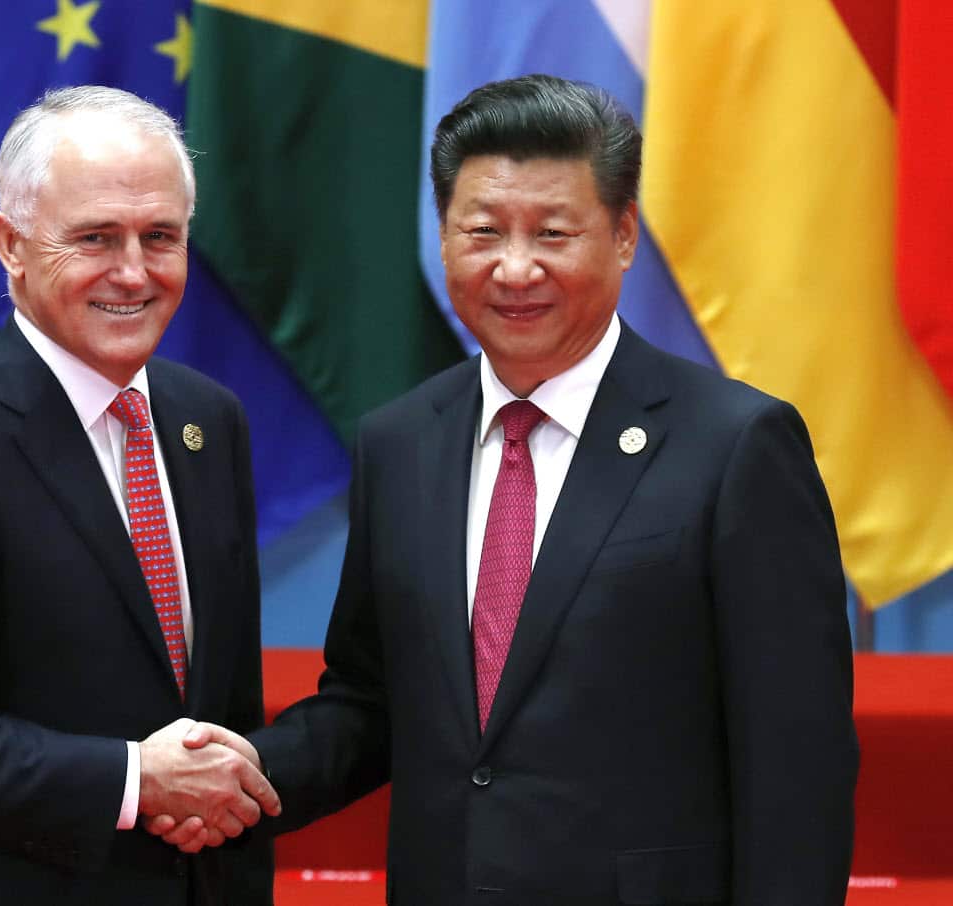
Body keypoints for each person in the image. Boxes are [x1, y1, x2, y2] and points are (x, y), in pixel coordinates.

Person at [155, 74, 858, 904]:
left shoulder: (736, 445)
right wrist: (242, 778)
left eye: (554, 233)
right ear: (443, 238)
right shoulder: (401, 441)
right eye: (483, 230)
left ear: (625, 234)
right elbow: (372, 701)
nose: (516, 267)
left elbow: (796, 760)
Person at [0, 85, 278, 906]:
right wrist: (135, 779)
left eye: (161, 237)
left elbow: (219, 709)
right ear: (11, 245)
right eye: (96, 238)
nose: (135, 273)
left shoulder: (207, 421)